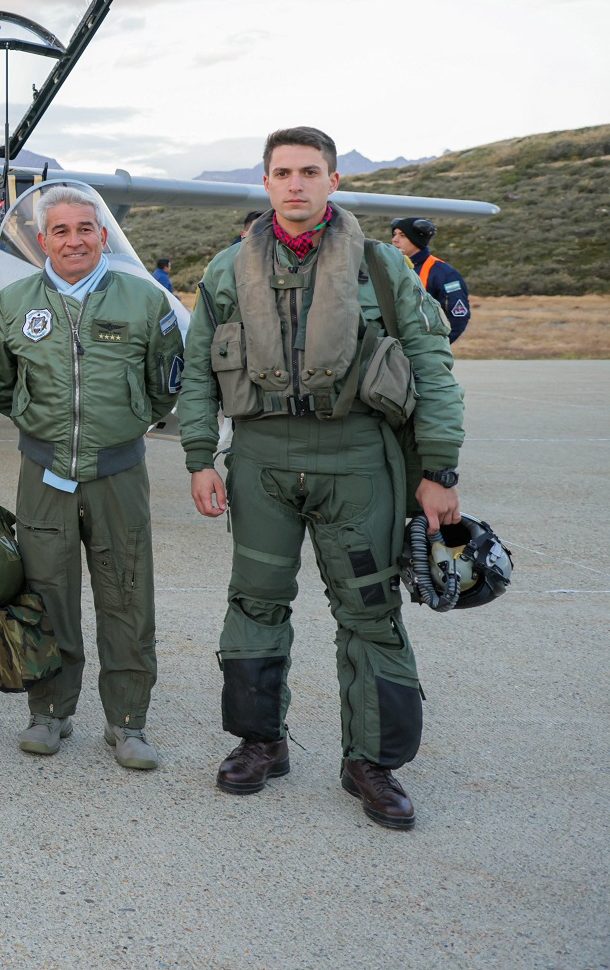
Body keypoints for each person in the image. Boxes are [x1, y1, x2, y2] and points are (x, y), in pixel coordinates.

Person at [180, 127, 464, 831]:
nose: (297, 183)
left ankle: (371, 761)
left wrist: (438, 469)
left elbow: (430, 364)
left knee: (369, 609)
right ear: (267, 182)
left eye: (311, 171)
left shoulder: (380, 267)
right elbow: (195, 370)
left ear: (334, 181)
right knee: (255, 600)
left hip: (356, 458)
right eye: (283, 172)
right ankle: (260, 741)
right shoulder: (226, 269)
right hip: (262, 460)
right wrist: (196, 456)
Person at [0, 186, 184, 770]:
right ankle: (49, 712)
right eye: (61, 232)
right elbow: (0, 383)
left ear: (103, 235)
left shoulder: (145, 302)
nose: (74, 241)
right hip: (44, 472)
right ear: (43, 240)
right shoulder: (13, 303)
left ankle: (127, 724)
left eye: (85, 230)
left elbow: (165, 384)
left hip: (119, 473)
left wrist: (121, 425)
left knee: (127, 593)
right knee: (47, 593)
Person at [390, 217, 470, 343]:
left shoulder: (444, 274)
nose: (395, 240)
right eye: (394, 234)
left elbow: (458, 316)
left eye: (403, 235)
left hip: (423, 349)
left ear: (416, 239)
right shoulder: (389, 266)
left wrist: (436, 347)